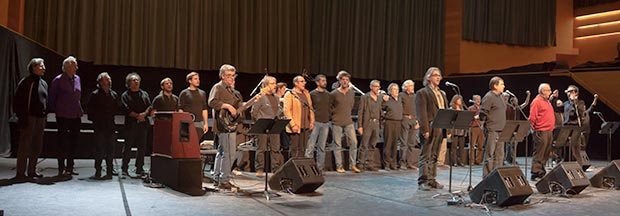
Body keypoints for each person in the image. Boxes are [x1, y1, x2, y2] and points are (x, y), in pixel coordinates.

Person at [12, 58, 48, 182]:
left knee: (37, 146)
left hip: (40, 118)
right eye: (41, 66)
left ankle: (32, 170)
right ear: (33, 68)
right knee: (25, 145)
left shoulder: (43, 83)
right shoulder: (26, 83)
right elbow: (17, 101)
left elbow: (45, 101)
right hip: (29, 118)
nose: (44, 68)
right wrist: (23, 117)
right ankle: (20, 172)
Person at [208, 64, 243, 189]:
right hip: (223, 125)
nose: (232, 78)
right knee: (229, 154)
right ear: (222, 76)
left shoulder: (231, 90)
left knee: (222, 152)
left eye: (233, 76)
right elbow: (212, 102)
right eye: (229, 76)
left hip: (230, 125)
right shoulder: (218, 87)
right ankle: (224, 179)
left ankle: (218, 178)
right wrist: (227, 106)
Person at [48, 56, 83, 176]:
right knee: (62, 142)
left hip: (75, 114)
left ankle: (70, 166)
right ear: (68, 67)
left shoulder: (77, 78)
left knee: (74, 142)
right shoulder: (58, 80)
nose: (77, 67)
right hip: (63, 114)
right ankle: (61, 167)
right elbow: (52, 97)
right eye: (75, 65)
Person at [415, 67, 448, 191]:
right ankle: (423, 180)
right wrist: (425, 129)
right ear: (428, 77)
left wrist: (447, 129)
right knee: (426, 155)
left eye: (439, 75)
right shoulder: (422, 93)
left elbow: (445, 110)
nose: (438, 77)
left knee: (435, 155)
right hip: (429, 127)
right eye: (435, 75)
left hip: (440, 127)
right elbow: (421, 113)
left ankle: (432, 179)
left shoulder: (442, 93)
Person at [86, 72, 121, 180]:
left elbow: (117, 108)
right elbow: (90, 111)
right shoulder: (95, 94)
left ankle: (110, 170)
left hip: (110, 126)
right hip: (99, 126)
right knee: (99, 149)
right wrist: (96, 120)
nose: (109, 81)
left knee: (110, 149)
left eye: (109, 79)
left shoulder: (114, 94)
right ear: (101, 82)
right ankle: (98, 170)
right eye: (107, 79)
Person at [250, 76, 283, 177]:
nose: (275, 86)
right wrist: (260, 122)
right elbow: (253, 113)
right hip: (262, 126)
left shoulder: (276, 97)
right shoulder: (261, 97)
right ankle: (259, 169)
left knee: (276, 149)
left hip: (274, 126)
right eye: (272, 83)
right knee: (261, 149)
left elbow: (278, 111)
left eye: (275, 83)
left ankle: (275, 169)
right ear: (266, 85)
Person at [120, 72, 151, 177]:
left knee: (142, 148)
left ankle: (139, 168)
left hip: (143, 124)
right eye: (134, 80)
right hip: (131, 124)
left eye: (137, 80)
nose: (136, 82)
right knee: (127, 147)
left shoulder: (144, 94)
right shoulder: (125, 95)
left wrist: (144, 114)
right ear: (129, 83)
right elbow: (125, 108)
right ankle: (124, 168)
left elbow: (149, 107)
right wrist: (137, 116)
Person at [330, 71, 361, 173]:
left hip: (348, 121)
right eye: (343, 79)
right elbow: (330, 107)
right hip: (337, 122)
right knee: (337, 144)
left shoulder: (352, 93)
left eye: (347, 80)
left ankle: (352, 165)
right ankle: (339, 166)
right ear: (339, 81)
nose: (345, 81)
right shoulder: (334, 94)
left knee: (354, 142)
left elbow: (351, 106)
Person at [562, 85, 597, 168]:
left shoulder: (580, 103)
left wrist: (574, 102)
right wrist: (553, 99)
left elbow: (582, 112)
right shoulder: (566, 103)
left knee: (578, 150)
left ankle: (579, 167)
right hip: (567, 128)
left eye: (570, 91)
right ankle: (567, 166)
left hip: (579, 130)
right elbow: (558, 109)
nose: (568, 93)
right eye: (567, 92)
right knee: (567, 149)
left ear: (575, 93)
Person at [479, 76, 507, 177]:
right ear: (495, 85)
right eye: (501, 84)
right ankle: (487, 177)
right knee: (490, 155)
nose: (504, 86)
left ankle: (496, 176)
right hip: (492, 129)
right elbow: (483, 112)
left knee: (500, 155)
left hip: (501, 129)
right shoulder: (489, 96)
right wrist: (485, 123)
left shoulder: (500, 97)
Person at [283, 76, 315, 158]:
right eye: (302, 81)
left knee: (302, 148)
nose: (305, 83)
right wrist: (292, 124)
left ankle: (300, 165)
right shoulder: (290, 94)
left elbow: (310, 108)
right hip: (296, 125)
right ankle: (293, 166)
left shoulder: (306, 93)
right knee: (294, 148)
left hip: (306, 125)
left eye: (304, 81)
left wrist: (312, 121)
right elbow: (287, 111)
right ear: (296, 83)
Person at [529, 83, 555, 181]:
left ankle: (541, 171)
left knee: (546, 152)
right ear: (543, 91)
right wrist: (534, 130)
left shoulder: (547, 101)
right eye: (548, 90)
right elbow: (532, 117)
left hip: (548, 131)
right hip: (541, 130)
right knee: (539, 152)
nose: (550, 92)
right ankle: (535, 172)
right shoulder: (537, 101)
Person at [305, 74, 331, 172]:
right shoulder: (312, 94)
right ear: (317, 82)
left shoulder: (328, 94)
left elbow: (330, 107)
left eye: (325, 80)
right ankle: (308, 168)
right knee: (310, 146)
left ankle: (320, 168)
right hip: (315, 122)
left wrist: (329, 117)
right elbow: (309, 108)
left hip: (325, 123)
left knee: (322, 147)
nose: (325, 82)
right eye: (323, 80)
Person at [357, 80, 383, 171]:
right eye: (376, 86)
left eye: (378, 87)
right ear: (371, 87)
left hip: (376, 123)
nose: (377, 88)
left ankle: (369, 163)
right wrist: (360, 126)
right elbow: (361, 112)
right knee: (364, 144)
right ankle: (360, 163)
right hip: (367, 123)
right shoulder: (365, 97)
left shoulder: (379, 98)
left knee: (373, 145)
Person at [179, 72, 209, 141]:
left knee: (197, 142)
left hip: (199, 123)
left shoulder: (202, 93)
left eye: (198, 79)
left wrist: (206, 123)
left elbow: (204, 109)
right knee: (188, 143)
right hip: (188, 122)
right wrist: (184, 121)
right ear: (190, 81)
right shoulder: (184, 93)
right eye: (195, 79)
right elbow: (180, 108)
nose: (198, 81)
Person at [504, 90, 530, 165]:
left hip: (516, 128)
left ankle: (512, 159)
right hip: (508, 127)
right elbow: (505, 102)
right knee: (508, 144)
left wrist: (528, 95)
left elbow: (526, 103)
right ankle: (508, 159)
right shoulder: (508, 107)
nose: (516, 102)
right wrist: (506, 96)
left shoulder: (518, 108)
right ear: (512, 101)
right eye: (515, 101)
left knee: (514, 144)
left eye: (517, 101)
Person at [399, 80, 419, 170]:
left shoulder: (415, 96)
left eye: (413, 86)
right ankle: (402, 162)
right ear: (406, 87)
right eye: (411, 86)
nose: (412, 87)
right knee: (404, 143)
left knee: (411, 143)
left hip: (414, 120)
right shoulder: (401, 95)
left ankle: (409, 163)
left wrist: (418, 121)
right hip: (405, 119)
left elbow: (419, 108)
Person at [382, 83, 403, 170]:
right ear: (390, 91)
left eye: (397, 89)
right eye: (394, 89)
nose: (396, 91)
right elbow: (381, 108)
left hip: (398, 123)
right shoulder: (387, 99)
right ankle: (386, 164)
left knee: (395, 144)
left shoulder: (400, 99)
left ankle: (393, 163)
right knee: (388, 143)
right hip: (389, 123)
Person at [447, 95, 467, 167]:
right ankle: (454, 161)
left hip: (461, 129)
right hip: (454, 130)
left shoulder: (462, 109)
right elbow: (449, 121)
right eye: (458, 99)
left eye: (460, 99)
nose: (460, 101)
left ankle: (461, 161)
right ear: (455, 100)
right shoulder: (451, 109)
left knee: (461, 147)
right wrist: (449, 132)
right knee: (454, 147)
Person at [467, 95, 484, 165]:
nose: (478, 101)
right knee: (472, 146)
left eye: (479, 99)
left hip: (481, 128)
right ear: (473, 100)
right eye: (477, 99)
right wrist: (474, 117)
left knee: (480, 146)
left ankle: (478, 160)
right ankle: (471, 161)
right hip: (473, 128)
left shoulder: (482, 108)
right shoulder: (470, 108)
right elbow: (468, 118)